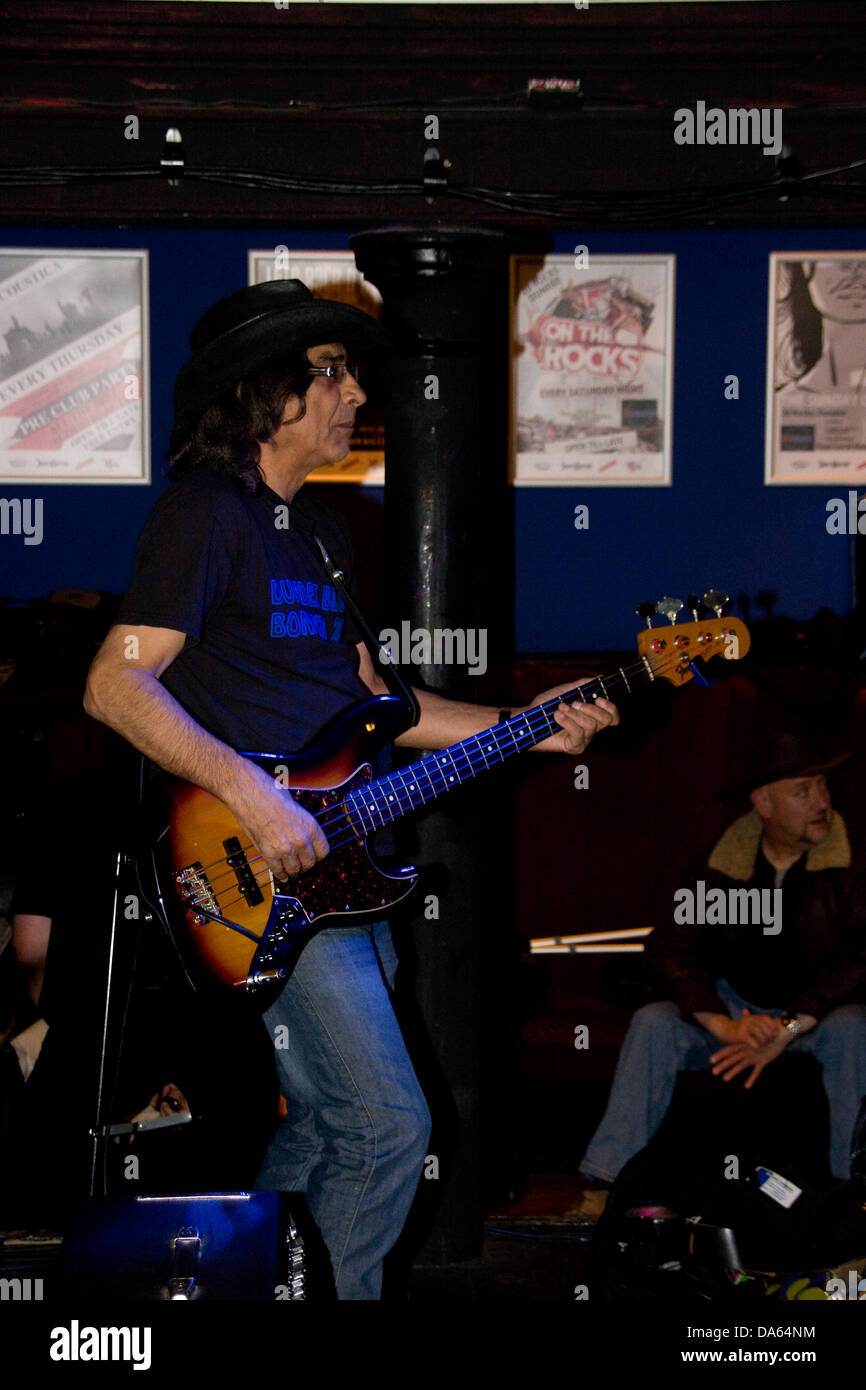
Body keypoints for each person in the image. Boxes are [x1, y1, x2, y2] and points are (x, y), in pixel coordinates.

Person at [83, 278, 619, 1299]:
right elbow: (114, 683)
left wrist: (533, 726)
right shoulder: (207, 513)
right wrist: (257, 797)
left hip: (346, 870)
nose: (353, 390)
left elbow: (386, 704)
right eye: (329, 372)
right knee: (387, 1123)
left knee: (335, 1123)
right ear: (263, 394)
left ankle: (236, 1289)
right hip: (263, 863)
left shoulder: (319, 537)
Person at [571, 726, 866, 1223]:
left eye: (823, 787)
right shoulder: (722, 863)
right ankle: (606, 1186)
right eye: (803, 790)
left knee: (855, 1027)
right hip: (737, 1007)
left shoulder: (852, 864)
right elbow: (669, 950)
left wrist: (790, 1026)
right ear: (763, 804)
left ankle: (850, 1199)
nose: (821, 802)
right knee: (653, 1023)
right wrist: (721, 1023)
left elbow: (860, 960)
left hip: (815, 1016)